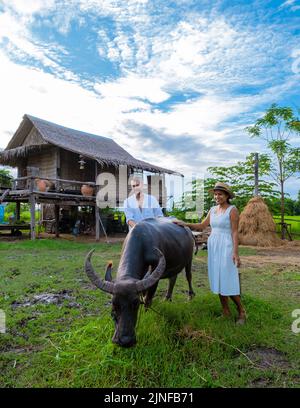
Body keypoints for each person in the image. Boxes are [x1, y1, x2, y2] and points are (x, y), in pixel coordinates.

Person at [174, 182, 246, 324]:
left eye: (220, 194)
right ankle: (225, 311)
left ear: (226, 196)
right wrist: (185, 224)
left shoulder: (232, 210)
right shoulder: (213, 210)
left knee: (227, 279)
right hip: (213, 245)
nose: (217, 196)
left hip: (226, 246)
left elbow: (234, 232)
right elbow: (202, 225)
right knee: (218, 278)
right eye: (215, 194)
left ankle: (242, 312)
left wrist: (235, 253)